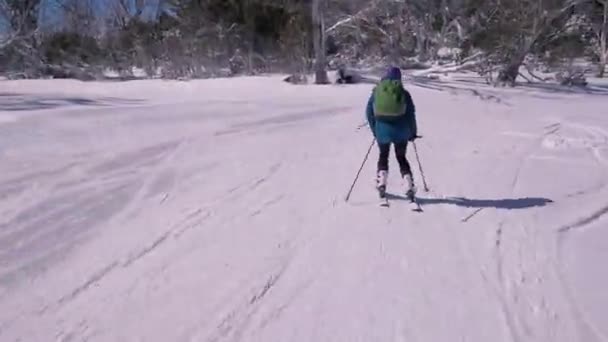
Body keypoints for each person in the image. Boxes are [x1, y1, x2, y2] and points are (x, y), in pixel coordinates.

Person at [365, 66, 418, 200]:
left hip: (382, 131)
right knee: (401, 158)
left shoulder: (377, 92)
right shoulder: (404, 94)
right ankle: (408, 184)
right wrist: (412, 133)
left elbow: (369, 113)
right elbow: (411, 115)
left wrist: (375, 130)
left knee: (383, 156)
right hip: (402, 132)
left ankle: (381, 182)